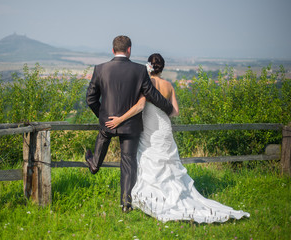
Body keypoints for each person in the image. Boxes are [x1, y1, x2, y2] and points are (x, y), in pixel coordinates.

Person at [105, 53, 250, 223]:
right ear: (162, 68)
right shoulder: (169, 86)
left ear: (148, 66)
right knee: (168, 163)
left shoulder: (146, 83)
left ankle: (153, 198)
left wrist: (120, 119)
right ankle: (173, 195)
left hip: (150, 128)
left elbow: (140, 106)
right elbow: (175, 111)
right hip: (164, 128)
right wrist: (160, 112)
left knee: (149, 159)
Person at [85, 36, 174, 213]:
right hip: (131, 126)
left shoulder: (100, 69)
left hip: (107, 123)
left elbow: (90, 98)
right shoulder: (139, 70)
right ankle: (126, 204)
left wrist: (103, 116)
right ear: (129, 50)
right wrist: (168, 108)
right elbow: (153, 95)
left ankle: (94, 164)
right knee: (128, 163)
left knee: (104, 136)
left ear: (113, 50)